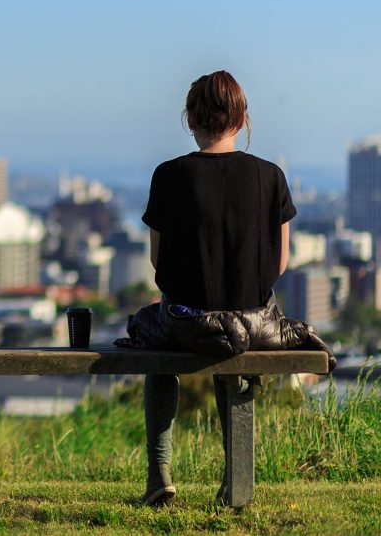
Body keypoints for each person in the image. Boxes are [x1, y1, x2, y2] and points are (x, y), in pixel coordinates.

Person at [121, 70, 329, 506]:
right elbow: (279, 264)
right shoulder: (271, 177)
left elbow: (159, 262)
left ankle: (159, 478)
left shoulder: (169, 176)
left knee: (152, 340)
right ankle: (235, 482)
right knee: (233, 339)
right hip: (255, 325)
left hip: (186, 324)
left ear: (191, 120)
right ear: (242, 119)